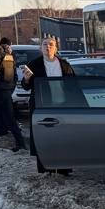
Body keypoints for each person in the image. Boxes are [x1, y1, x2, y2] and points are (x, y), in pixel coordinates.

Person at [21, 35, 75, 173]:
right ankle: (45, 169)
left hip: (62, 105)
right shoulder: (34, 64)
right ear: (41, 48)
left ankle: (64, 168)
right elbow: (26, 86)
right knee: (43, 138)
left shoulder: (64, 64)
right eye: (45, 44)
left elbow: (74, 85)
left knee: (63, 137)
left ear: (56, 48)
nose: (48, 47)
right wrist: (26, 80)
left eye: (51, 44)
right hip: (42, 107)